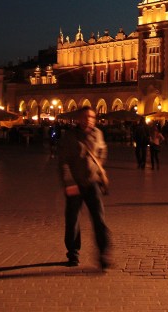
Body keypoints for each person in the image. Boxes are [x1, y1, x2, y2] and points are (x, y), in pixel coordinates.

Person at [58, 107, 112, 270]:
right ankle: (73, 252)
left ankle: (103, 253)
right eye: (86, 116)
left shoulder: (98, 134)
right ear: (79, 119)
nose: (89, 119)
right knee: (72, 219)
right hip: (75, 183)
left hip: (92, 182)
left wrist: (97, 168)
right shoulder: (70, 136)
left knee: (99, 219)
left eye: (92, 117)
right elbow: (63, 162)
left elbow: (102, 151)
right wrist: (69, 183)